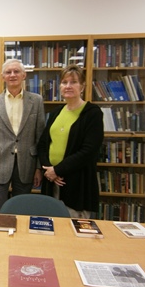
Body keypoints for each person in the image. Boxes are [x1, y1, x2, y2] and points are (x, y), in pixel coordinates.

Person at [37, 64, 104, 219]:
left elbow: (89, 151)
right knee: (51, 222)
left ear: (82, 87)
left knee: (74, 226)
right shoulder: (56, 113)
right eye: (64, 82)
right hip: (51, 181)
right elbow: (43, 144)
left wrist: (58, 170)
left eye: (73, 82)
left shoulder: (92, 113)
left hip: (77, 182)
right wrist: (49, 170)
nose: (68, 86)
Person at [0, 59, 45, 213]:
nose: (12, 75)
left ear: (24, 75)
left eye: (16, 71)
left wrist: (38, 168)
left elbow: (40, 137)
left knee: (22, 209)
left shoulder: (36, 101)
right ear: (3, 77)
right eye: (8, 72)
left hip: (27, 164)